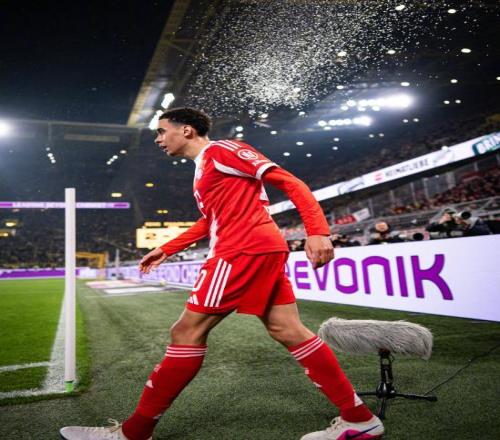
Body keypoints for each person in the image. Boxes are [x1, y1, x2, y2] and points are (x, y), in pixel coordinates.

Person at [60, 108, 384, 440]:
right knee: (287, 329)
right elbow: (209, 221)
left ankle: (133, 433)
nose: (158, 139)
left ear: (186, 130)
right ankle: (360, 419)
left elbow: (290, 182)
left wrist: (318, 231)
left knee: (186, 332)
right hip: (259, 248)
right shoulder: (205, 166)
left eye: (161, 131)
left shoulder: (222, 151)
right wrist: (168, 248)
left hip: (240, 251)